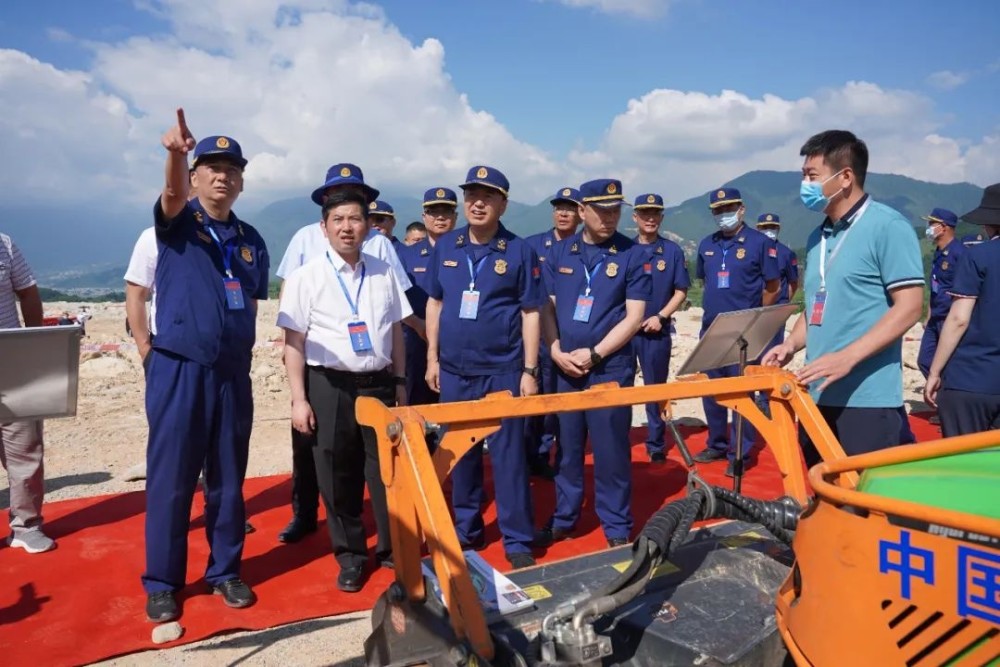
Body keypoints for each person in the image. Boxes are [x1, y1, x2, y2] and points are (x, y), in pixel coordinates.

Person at [141, 110, 269, 622]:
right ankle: (163, 582)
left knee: (228, 477)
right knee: (171, 478)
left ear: (241, 180)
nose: (223, 176)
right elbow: (169, 198)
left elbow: (253, 300)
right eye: (211, 167)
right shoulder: (179, 223)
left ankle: (226, 571)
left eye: (232, 169)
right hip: (178, 369)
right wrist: (174, 155)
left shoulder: (251, 238)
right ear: (195, 176)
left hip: (232, 373)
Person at [273, 163, 417, 547]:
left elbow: (396, 332)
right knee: (336, 472)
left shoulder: (384, 270)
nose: (347, 226)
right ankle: (350, 554)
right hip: (329, 385)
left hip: (379, 385)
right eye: (338, 219)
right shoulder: (307, 276)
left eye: (355, 218)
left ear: (369, 224)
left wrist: (401, 382)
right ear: (325, 227)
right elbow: (293, 340)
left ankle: (392, 549)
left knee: (386, 469)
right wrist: (299, 399)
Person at [763, 130, 924, 466]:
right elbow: (817, 305)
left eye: (812, 176)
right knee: (824, 500)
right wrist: (791, 344)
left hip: (867, 400)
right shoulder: (817, 236)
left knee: (867, 506)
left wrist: (847, 357)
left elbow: (909, 307)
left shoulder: (888, 227)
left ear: (845, 177)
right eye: (803, 176)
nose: (805, 185)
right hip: (817, 394)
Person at [424, 166, 542, 569]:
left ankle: (518, 538)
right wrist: (432, 358)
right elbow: (435, 303)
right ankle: (467, 529)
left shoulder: (519, 251)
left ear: (503, 204)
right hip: (455, 370)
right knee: (460, 454)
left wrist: (529, 370)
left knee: (509, 456)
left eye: (487, 196)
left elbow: (530, 312)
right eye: (471, 195)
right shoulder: (447, 247)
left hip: (503, 370)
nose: (477, 202)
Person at [535, 178, 650, 549]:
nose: (610, 217)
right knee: (567, 450)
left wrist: (597, 352)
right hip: (566, 367)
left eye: (616, 209)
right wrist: (554, 350)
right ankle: (565, 518)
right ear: (582, 211)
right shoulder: (560, 252)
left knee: (611, 449)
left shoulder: (632, 254)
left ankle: (616, 525)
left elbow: (633, 318)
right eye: (602, 210)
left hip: (608, 369)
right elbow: (546, 306)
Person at [692, 188, 780, 477]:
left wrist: (756, 319)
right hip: (712, 329)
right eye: (717, 210)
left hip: (744, 332)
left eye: (728, 208)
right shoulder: (707, 244)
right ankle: (716, 443)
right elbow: (706, 283)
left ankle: (739, 453)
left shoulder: (758, 243)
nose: (723, 214)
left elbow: (772, 287)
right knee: (712, 392)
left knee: (742, 394)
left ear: (741, 209)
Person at [924, 184, 1000, 435]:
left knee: (966, 466)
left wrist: (935, 372)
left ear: (988, 224)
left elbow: (958, 319)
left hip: (973, 378)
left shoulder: (978, 256)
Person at [523, 187, 583, 479]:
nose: (563, 213)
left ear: (580, 214)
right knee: (536, 399)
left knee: (563, 404)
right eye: (559, 207)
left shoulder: (588, 248)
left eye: (569, 208)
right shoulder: (533, 246)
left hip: (572, 338)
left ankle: (561, 456)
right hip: (540, 337)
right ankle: (534, 454)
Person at [0, 231, 51, 553]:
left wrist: (35, 345)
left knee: (24, 445)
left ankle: (26, 524)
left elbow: (28, 293)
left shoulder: (4, 243)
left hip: (12, 358)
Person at [631, 193, 690, 463]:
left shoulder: (672, 251)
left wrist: (661, 317)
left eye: (655, 214)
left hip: (657, 331)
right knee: (620, 387)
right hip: (625, 334)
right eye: (645, 214)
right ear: (635, 218)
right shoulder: (624, 250)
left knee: (655, 388)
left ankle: (655, 442)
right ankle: (619, 436)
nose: (650, 219)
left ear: (661, 218)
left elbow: (680, 291)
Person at [397, 188, 459, 407]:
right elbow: (395, 299)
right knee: (417, 405)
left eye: (447, 211)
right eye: (434, 212)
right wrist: (417, 325)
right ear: (424, 217)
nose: (440, 217)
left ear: (456, 216)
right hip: (416, 339)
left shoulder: (467, 251)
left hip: (457, 342)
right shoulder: (405, 255)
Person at [917, 208, 964, 378]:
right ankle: (939, 396)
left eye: (932, 224)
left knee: (948, 363)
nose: (928, 227)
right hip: (935, 316)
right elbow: (936, 286)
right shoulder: (938, 252)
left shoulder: (960, 254)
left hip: (948, 317)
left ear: (944, 227)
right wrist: (929, 314)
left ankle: (944, 399)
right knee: (924, 360)